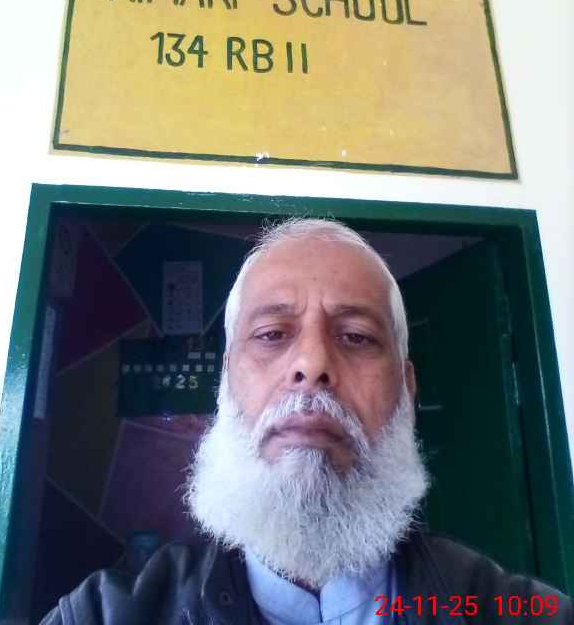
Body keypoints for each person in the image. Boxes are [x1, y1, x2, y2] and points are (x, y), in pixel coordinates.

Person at [41, 218, 573, 624]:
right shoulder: (100, 616)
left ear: (407, 390)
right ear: (225, 384)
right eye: (272, 334)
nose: (312, 363)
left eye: (357, 337)